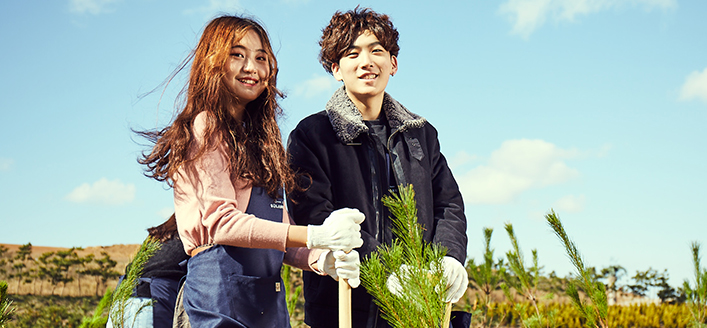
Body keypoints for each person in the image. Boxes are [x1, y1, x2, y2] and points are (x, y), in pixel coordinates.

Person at [137, 15, 363, 328]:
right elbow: (222, 224)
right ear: (212, 61)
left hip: (267, 304)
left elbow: (281, 234)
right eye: (237, 55)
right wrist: (316, 233)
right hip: (218, 300)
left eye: (261, 58)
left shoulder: (262, 142)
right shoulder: (206, 127)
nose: (251, 68)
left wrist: (321, 259)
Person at [287, 7, 469, 328]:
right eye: (352, 53)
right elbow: (314, 215)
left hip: (417, 302)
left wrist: (449, 258)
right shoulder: (312, 134)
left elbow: (448, 204)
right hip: (344, 303)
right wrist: (391, 268)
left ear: (393, 64)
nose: (366, 62)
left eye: (377, 51)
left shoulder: (421, 134)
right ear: (336, 69)